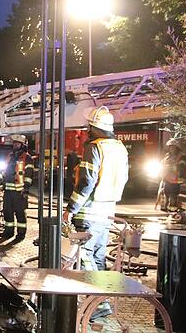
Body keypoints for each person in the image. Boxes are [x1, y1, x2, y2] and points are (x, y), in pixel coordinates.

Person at [63, 107, 128, 319]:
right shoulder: (119, 148)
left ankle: (99, 303)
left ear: (94, 127)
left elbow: (86, 182)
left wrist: (70, 209)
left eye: (89, 126)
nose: (87, 130)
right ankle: (101, 303)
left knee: (84, 256)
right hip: (108, 209)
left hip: (90, 210)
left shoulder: (94, 147)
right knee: (99, 257)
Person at [0, 134, 34, 242]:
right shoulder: (9, 156)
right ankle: (8, 232)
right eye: (14, 143)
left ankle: (21, 234)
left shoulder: (27, 158)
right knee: (7, 212)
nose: (15, 145)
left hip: (20, 191)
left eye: (17, 143)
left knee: (20, 214)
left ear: (23, 145)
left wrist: (26, 188)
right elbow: (3, 171)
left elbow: (29, 174)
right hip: (8, 191)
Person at [161, 139, 183, 212]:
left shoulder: (180, 156)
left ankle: (173, 208)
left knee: (174, 194)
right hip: (167, 177)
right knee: (165, 192)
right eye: (170, 147)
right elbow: (163, 164)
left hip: (176, 179)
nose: (171, 149)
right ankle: (165, 206)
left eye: (173, 147)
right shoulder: (167, 156)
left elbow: (181, 166)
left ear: (176, 148)